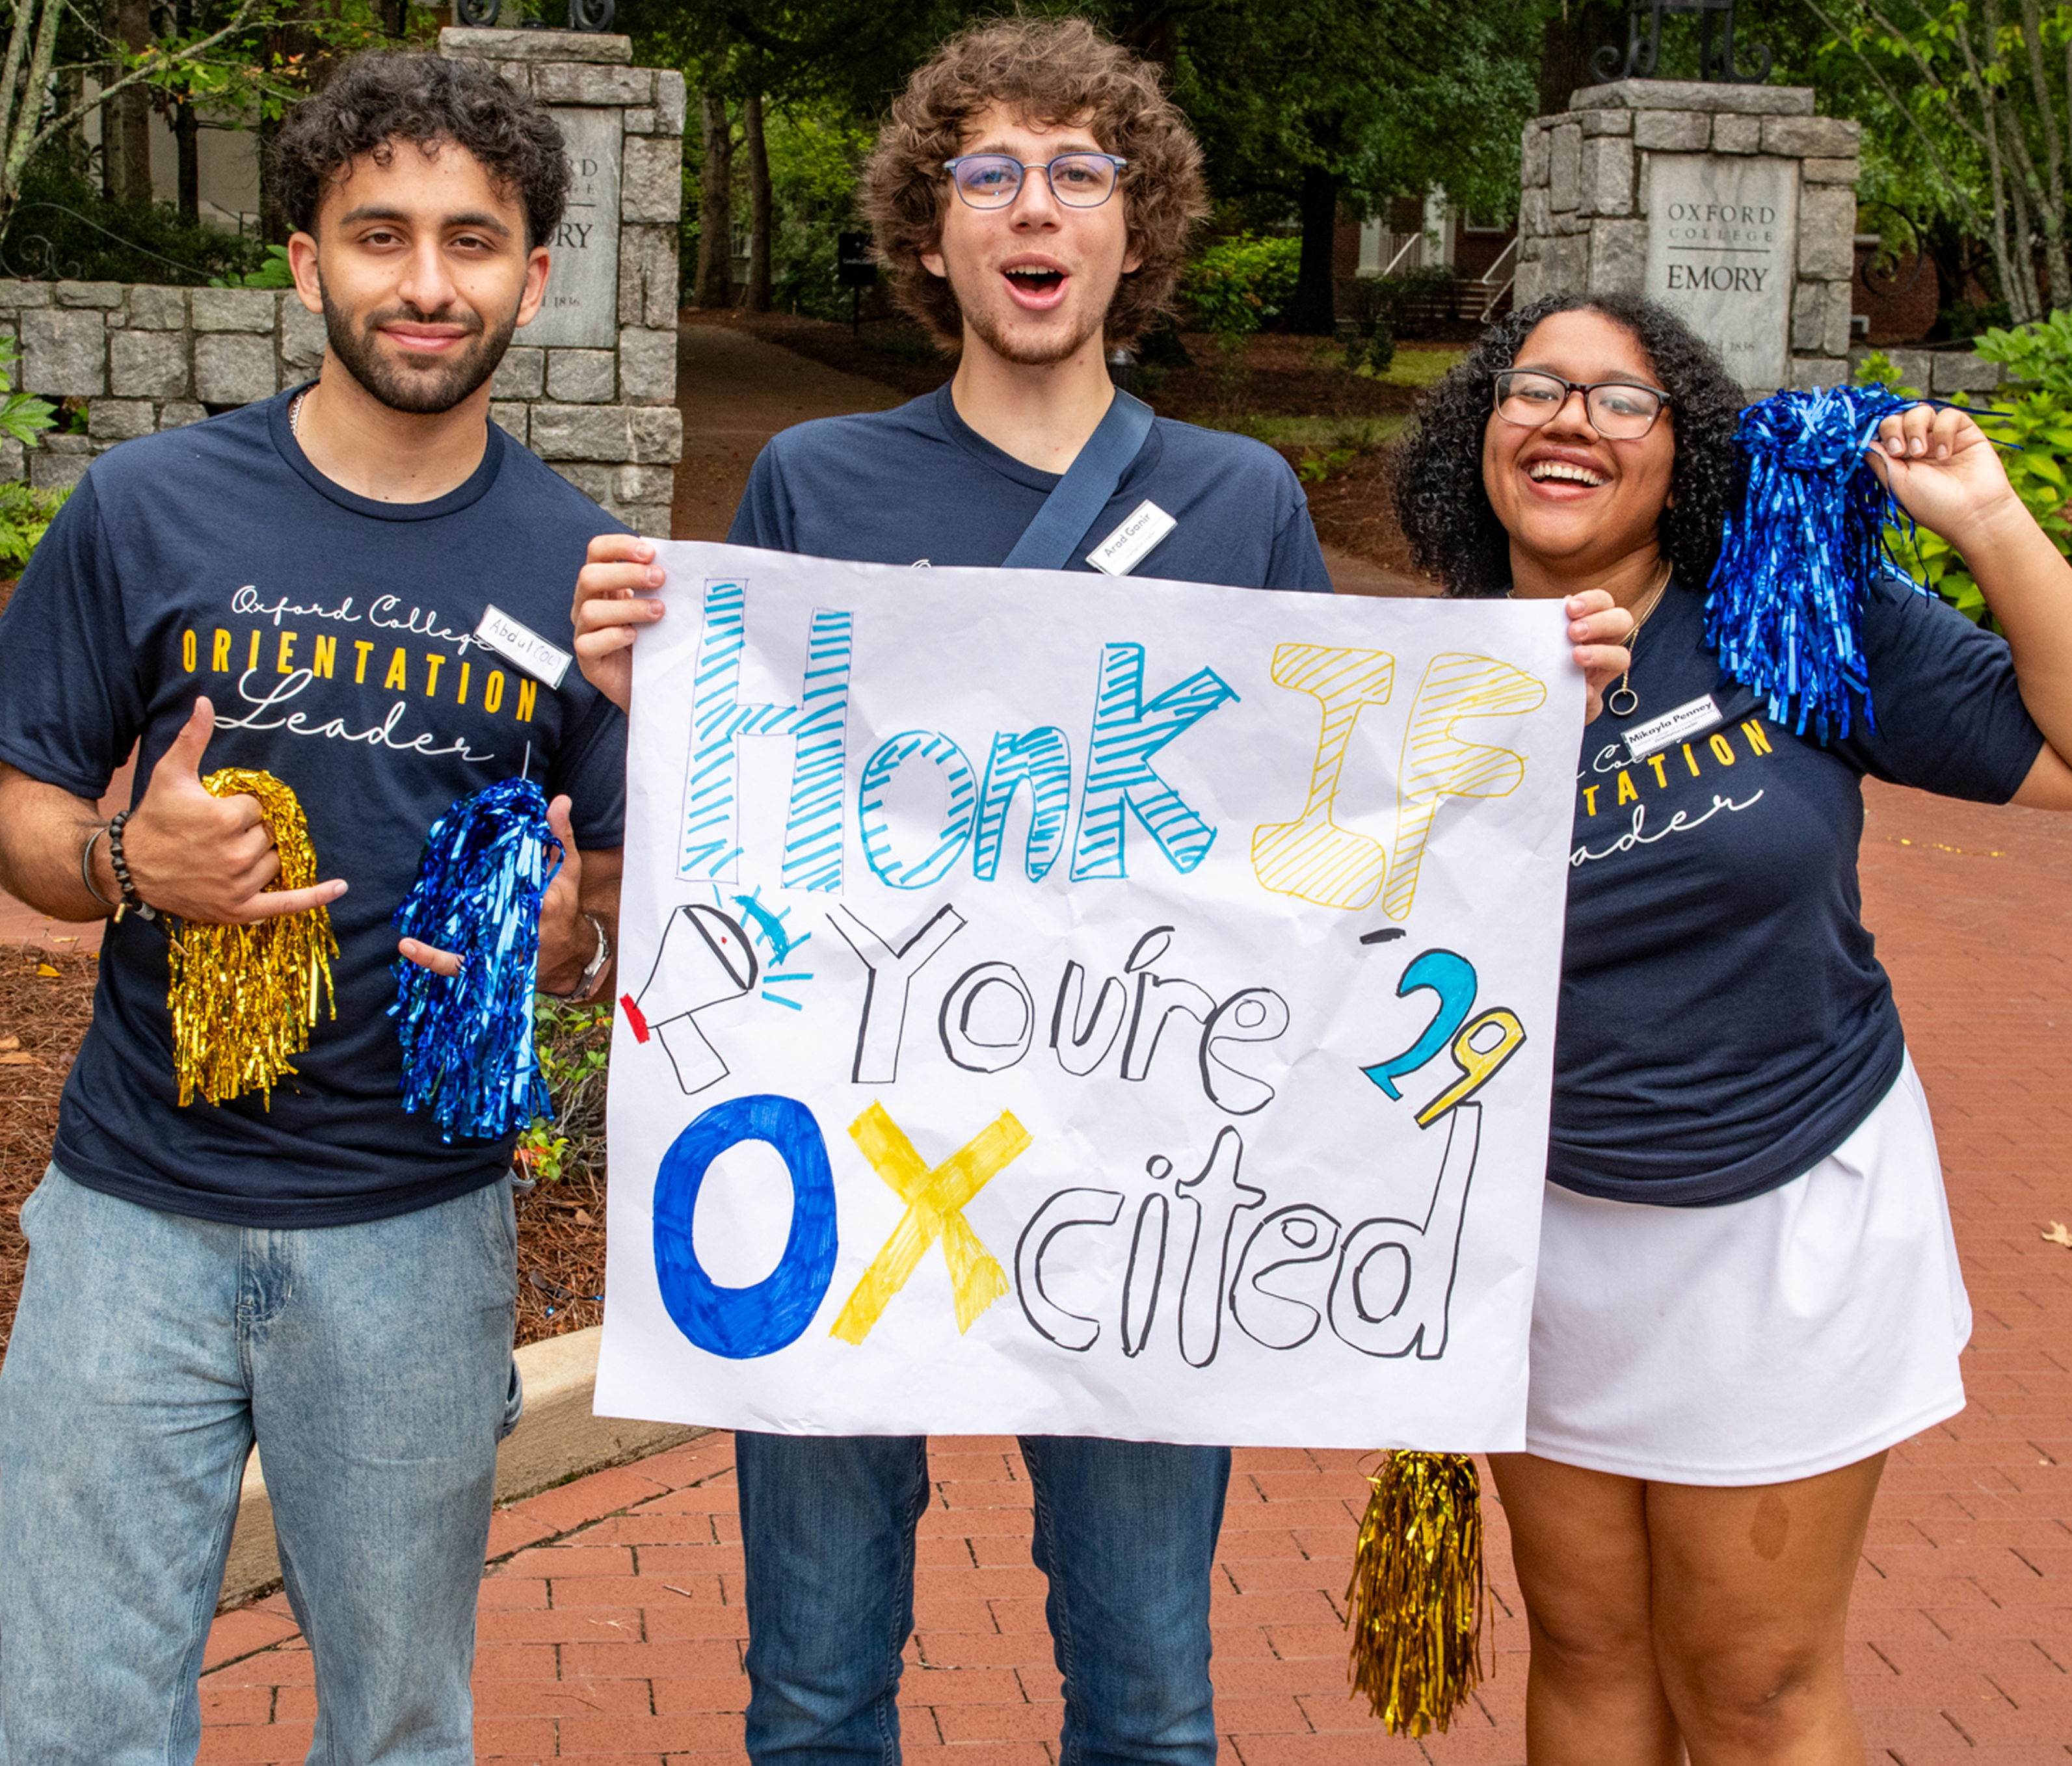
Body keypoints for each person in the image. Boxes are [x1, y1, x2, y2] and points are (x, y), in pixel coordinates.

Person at [572, 20, 1632, 1766]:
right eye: (988, 169)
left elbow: (1321, 836)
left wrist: (1511, 717)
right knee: (814, 1694)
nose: (1034, 203)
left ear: (1136, 231)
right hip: (853, 1162)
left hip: (1142, 1186)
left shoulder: (1234, 496)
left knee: (1147, 1698)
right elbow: (751, 819)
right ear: (931, 233)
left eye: (1080, 169)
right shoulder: (816, 482)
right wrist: (654, 696)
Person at [0, 51, 626, 1763]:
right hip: (133, 1216)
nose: (427, 282)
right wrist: (129, 863)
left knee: (400, 1726)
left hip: (417, 1230)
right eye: (379, 234)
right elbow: (25, 806)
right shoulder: (146, 506)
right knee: (68, 1722)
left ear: (532, 279)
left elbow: (610, 911)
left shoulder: (585, 573)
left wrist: (564, 943)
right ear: (305, 261)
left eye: (471, 242)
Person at [1394, 291, 2072, 1763]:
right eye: (1534, 387)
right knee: (1589, 1648)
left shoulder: (1790, 614)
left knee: (1754, 1686)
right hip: (1536, 1227)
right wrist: (1512, 737)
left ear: (1684, 451)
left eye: (1621, 399)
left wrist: (1986, 521)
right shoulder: (1408, 681)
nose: (1570, 420)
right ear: (1480, 431)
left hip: (1782, 1211)